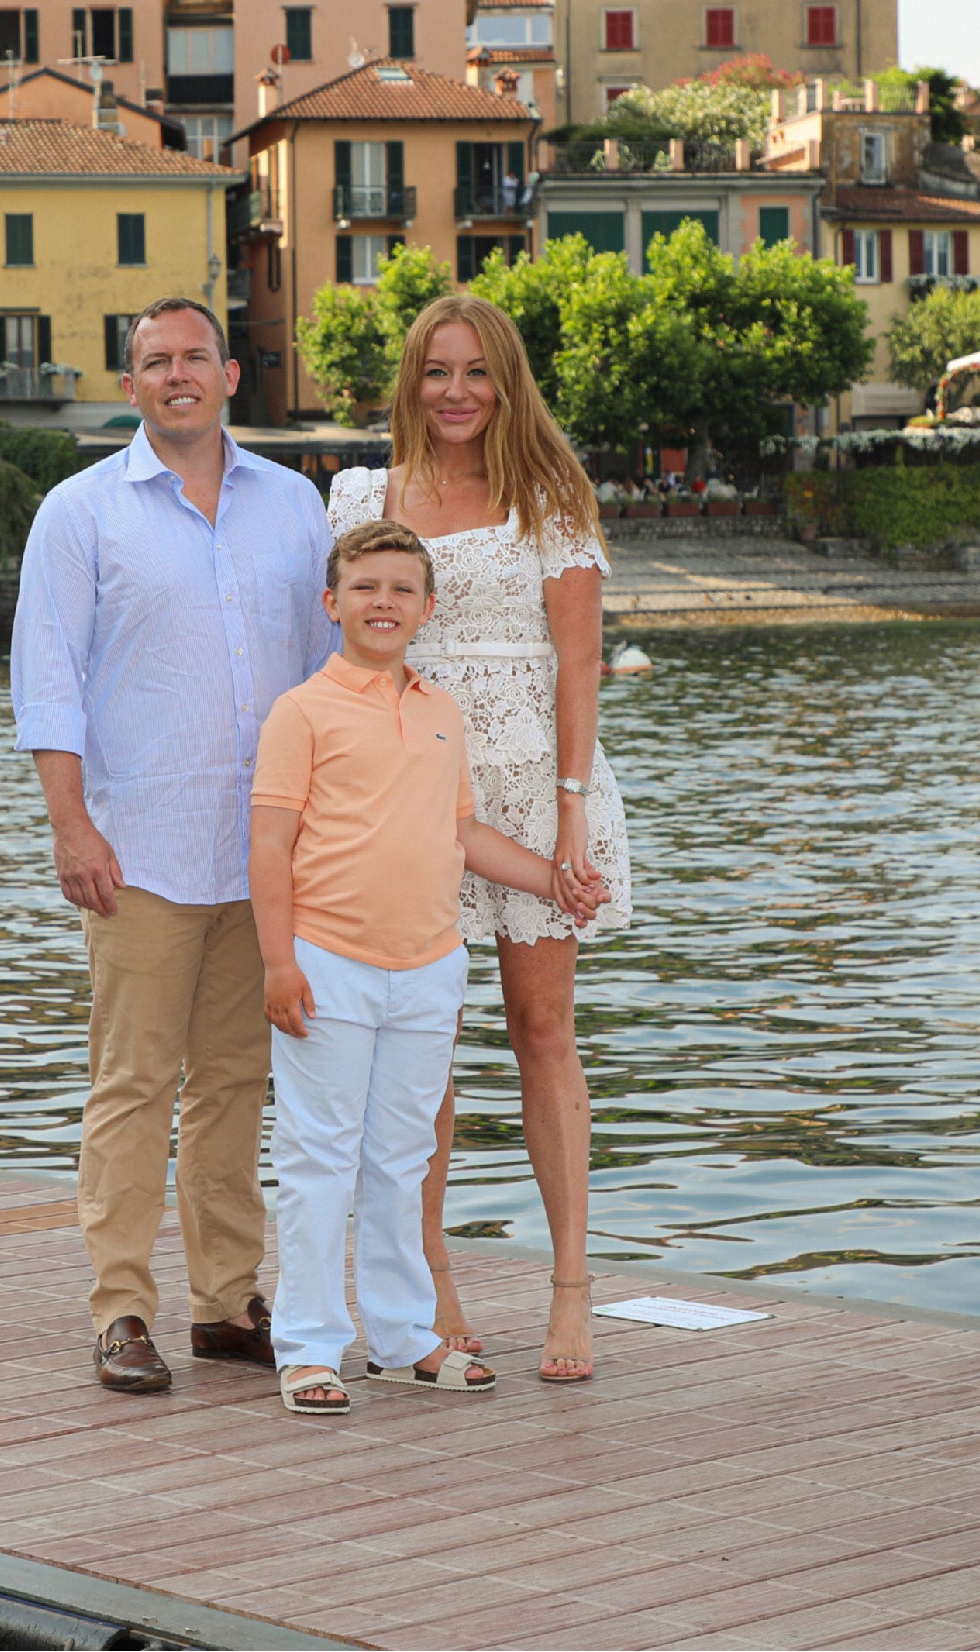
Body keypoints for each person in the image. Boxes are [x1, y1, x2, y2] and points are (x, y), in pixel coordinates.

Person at [12, 295, 336, 1393]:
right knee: (133, 1083)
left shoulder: (296, 506)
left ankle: (225, 1302)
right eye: (155, 361)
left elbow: (331, 672)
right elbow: (47, 677)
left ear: (230, 375)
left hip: (262, 854)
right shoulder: (78, 511)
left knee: (238, 1084)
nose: (176, 375)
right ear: (132, 381)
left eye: (194, 356)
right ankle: (120, 1309)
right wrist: (70, 824)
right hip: (137, 847)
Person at [325, 293, 634, 1382]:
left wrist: (565, 812)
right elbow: (350, 632)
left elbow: (579, 664)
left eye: (475, 372)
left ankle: (568, 1287)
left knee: (541, 1027)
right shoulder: (361, 493)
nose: (454, 392)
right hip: (408, 792)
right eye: (434, 371)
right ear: (408, 381)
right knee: (423, 1046)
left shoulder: (552, 495)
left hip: (532, 782)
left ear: (506, 382)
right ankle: (429, 1285)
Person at [251, 520, 597, 1415]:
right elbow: (268, 845)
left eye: (402, 590)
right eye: (364, 587)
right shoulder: (302, 712)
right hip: (328, 963)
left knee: (401, 1159)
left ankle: (403, 1340)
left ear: (428, 609)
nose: (383, 603)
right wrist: (278, 963)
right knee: (318, 1158)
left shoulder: (442, 712)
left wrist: (555, 882)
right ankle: (309, 1346)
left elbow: (463, 834)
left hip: (429, 966)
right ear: (331, 603)